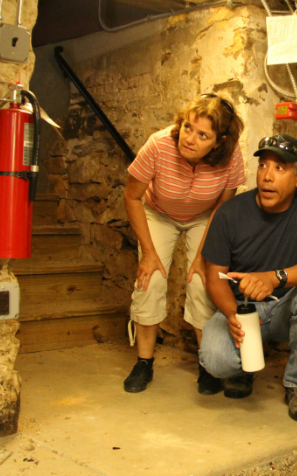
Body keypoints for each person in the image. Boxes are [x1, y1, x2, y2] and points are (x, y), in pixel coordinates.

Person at [199, 134, 297, 422]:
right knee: (215, 360)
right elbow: (214, 277)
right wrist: (232, 315)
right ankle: (243, 370)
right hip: (245, 309)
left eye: (279, 168)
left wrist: (274, 278)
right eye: (263, 166)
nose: (268, 177)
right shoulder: (231, 212)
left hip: (290, 306)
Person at [123, 94, 245, 395]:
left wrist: (203, 256)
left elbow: (221, 208)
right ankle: (144, 362)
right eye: (188, 127)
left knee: (201, 283)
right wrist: (149, 254)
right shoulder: (159, 144)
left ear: (218, 142)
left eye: (202, 134)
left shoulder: (231, 156)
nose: (189, 138)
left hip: (204, 216)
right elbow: (132, 196)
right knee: (150, 281)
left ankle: (207, 365)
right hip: (158, 212)